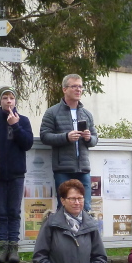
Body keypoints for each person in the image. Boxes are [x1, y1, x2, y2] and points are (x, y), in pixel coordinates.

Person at [0, 86, 33, 263]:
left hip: (16, 173)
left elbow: (27, 143)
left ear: (15, 101)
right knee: (0, 212)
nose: (8, 101)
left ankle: (14, 247)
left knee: (14, 211)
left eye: (11, 98)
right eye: (5, 98)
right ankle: (2, 247)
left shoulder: (24, 120)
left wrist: (16, 126)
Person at [40, 74, 98, 212]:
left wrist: (88, 138)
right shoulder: (52, 112)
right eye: (74, 86)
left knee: (85, 208)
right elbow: (45, 136)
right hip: (63, 169)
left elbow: (95, 139)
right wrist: (66, 137)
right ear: (64, 89)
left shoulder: (86, 114)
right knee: (64, 208)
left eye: (80, 87)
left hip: (83, 169)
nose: (78, 90)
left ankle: (83, 228)